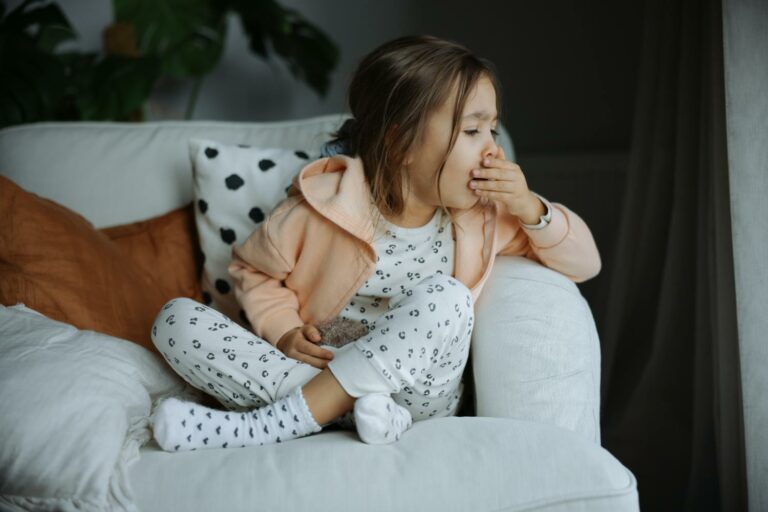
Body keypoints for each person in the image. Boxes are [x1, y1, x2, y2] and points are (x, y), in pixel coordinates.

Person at [150, 35, 602, 452]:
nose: (493, 150)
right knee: (175, 320)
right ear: (401, 142)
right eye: (472, 131)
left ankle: (277, 422)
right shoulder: (322, 205)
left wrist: (529, 207)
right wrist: (283, 329)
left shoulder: (483, 217)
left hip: (417, 395)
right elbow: (254, 270)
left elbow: (586, 263)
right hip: (317, 370)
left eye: (493, 130)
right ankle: (351, 412)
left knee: (448, 297)